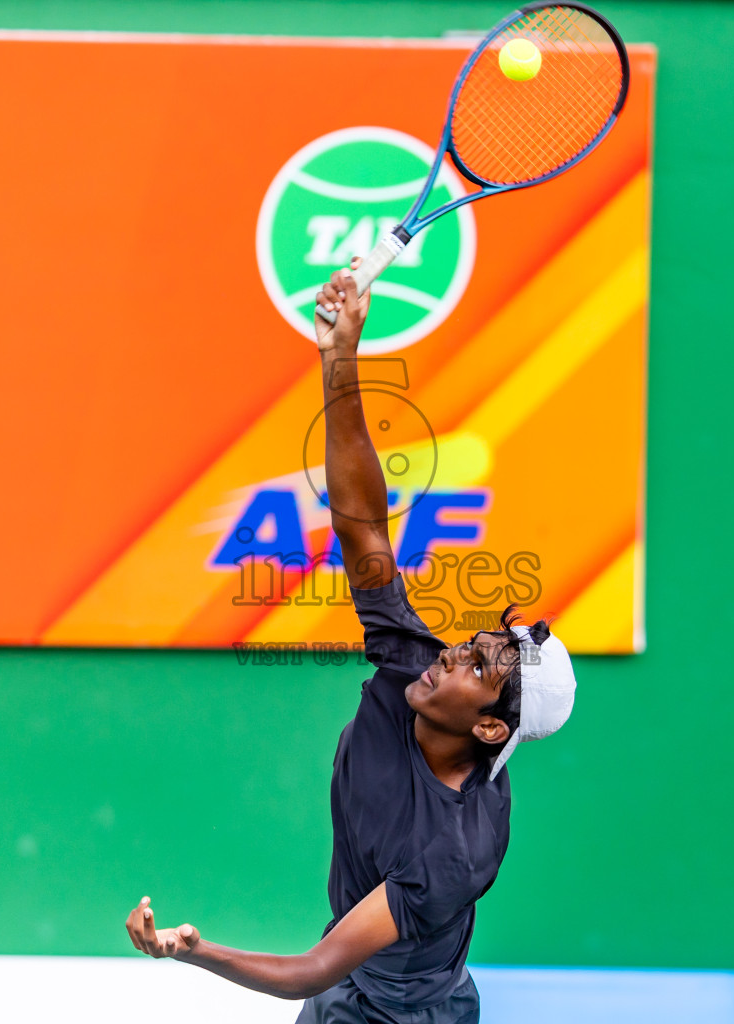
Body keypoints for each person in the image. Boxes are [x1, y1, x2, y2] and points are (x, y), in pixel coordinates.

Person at [125, 259, 578, 1023]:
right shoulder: (412, 666)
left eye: (475, 664)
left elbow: (312, 970)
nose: (448, 654)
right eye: (466, 642)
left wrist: (191, 952)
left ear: (492, 725)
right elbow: (363, 521)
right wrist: (340, 360)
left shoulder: (451, 851)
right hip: (351, 985)